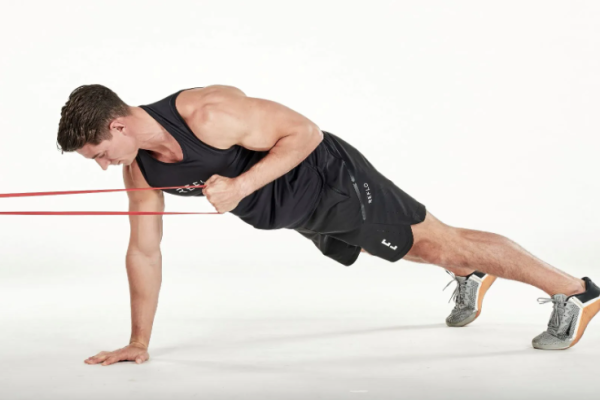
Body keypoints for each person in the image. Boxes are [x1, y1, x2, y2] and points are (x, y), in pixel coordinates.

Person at [56, 84, 600, 366]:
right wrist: (138, 341)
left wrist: (241, 187)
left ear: (119, 123)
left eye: (100, 152)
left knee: (443, 243)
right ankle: (473, 276)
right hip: (303, 211)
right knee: (414, 245)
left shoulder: (207, 113)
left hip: (331, 177)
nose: (104, 164)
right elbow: (143, 252)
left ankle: (575, 292)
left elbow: (307, 133)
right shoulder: (141, 169)